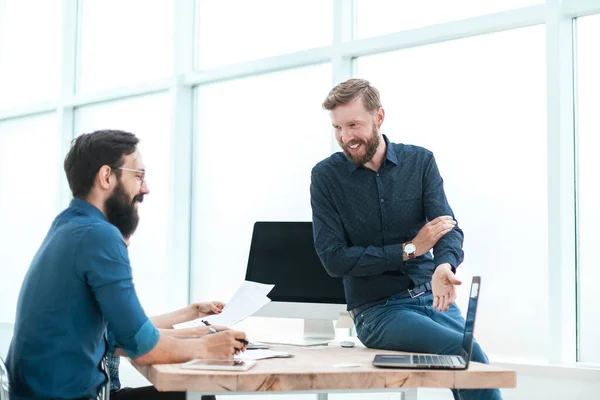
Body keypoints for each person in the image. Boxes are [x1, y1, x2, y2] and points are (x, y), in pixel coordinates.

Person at [6, 130, 247, 400]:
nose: (145, 189)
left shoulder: (68, 226)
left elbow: (121, 334)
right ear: (106, 176)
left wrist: (199, 332)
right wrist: (206, 347)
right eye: (139, 176)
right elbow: (143, 346)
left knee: (189, 393)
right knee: (198, 396)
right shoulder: (98, 234)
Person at [310, 79, 502, 400]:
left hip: (432, 296)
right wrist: (411, 249)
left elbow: (446, 228)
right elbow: (334, 258)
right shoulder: (326, 177)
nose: (345, 138)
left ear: (379, 117)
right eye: (338, 128)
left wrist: (443, 265)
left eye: (353, 125)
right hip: (378, 312)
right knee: (464, 352)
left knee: (473, 359)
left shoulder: (420, 162)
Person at [108, 299, 227, 400]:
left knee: (200, 391)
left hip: (108, 393)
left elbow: (131, 329)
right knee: (200, 393)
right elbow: (122, 338)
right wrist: (198, 334)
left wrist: (194, 312)